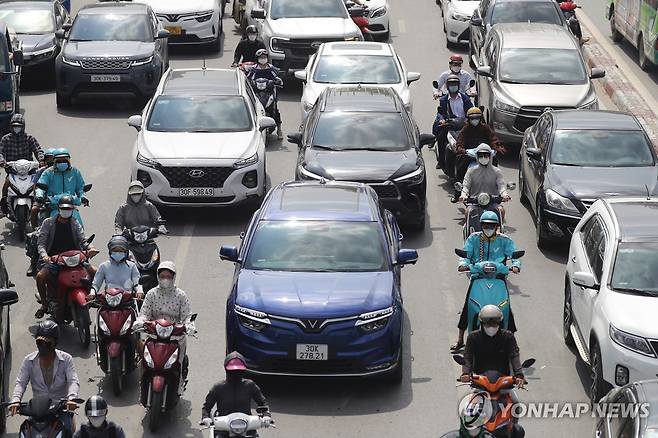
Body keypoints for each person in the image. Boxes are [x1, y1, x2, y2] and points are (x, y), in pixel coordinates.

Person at [451, 211, 520, 352]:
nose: (488, 228)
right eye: (485, 225)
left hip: (498, 277)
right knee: (467, 307)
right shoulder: (474, 238)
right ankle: (460, 340)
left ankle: (512, 342)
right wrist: (462, 264)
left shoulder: (504, 240)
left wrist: (515, 266)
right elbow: (466, 254)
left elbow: (514, 255)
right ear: (481, 225)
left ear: (497, 226)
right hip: (478, 277)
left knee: (506, 308)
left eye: (491, 225)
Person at [9, 321, 80, 434]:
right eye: (40, 342)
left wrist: (71, 398)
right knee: (26, 431)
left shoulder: (66, 359)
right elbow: (20, 383)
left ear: (55, 343)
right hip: (38, 411)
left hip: (61, 410)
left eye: (47, 343)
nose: (43, 346)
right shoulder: (28, 361)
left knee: (67, 431)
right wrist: (16, 400)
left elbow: (73, 381)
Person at [35, 196, 98, 318]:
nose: (66, 211)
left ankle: (91, 295)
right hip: (55, 260)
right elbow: (41, 244)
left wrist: (90, 248)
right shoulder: (48, 223)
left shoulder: (75, 223)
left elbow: (83, 240)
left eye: (69, 208)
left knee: (94, 271)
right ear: (58, 208)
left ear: (73, 209)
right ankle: (44, 304)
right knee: (41, 276)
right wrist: (45, 256)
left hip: (75, 259)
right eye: (64, 208)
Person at [134, 261, 193, 373]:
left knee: (177, 367)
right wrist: (140, 321)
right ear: (158, 277)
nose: (165, 279)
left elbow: (187, 316)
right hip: (154, 336)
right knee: (146, 365)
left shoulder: (180, 295)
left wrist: (189, 325)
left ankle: (179, 381)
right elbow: (145, 313)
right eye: (162, 276)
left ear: (173, 277)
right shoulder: (151, 294)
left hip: (175, 337)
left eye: (168, 277)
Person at [201, 352, 269, 430]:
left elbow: (263, 402)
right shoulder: (218, 387)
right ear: (226, 369)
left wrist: (266, 415)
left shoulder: (250, 385)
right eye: (232, 371)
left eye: (239, 371)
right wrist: (206, 417)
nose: (235, 373)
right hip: (223, 427)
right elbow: (206, 407)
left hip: (246, 426)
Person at [460, 305, 525, 384]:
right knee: (470, 397)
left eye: (494, 322)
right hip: (479, 381)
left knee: (515, 397)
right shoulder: (473, 337)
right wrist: (465, 373)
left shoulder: (508, 336)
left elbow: (514, 355)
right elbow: (468, 356)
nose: (491, 325)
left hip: (504, 381)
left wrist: (519, 375)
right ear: (482, 322)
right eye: (487, 322)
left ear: (499, 322)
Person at [0, 114, 44, 216]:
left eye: (19, 126)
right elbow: (0, 153)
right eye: (14, 126)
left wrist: (41, 160)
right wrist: (2, 162)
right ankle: (3, 208)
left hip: (29, 171)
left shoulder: (30, 138)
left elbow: (38, 150)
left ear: (23, 126)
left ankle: (40, 205)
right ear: (11, 126)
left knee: (38, 187)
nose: (16, 128)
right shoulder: (5, 139)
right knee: (6, 185)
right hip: (13, 171)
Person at [34, 148, 87, 224]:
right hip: (53, 206)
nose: (62, 163)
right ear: (54, 161)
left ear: (68, 160)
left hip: (71, 205)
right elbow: (40, 186)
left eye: (64, 160)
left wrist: (83, 197)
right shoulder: (48, 172)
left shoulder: (75, 172)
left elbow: (81, 188)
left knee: (79, 228)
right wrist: (40, 196)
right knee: (45, 230)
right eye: (59, 161)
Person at [431, 75, 473, 169]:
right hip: (450, 125)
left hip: (464, 124)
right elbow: (440, 113)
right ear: (447, 86)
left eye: (455, 84)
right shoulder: (443, 100)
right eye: (451, 84)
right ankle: (441, 161)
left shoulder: (465, 99)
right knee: (441, 138)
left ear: (458, 86)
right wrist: (441, 119)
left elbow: (471, 110)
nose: (453, 86)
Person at [88, 235, 143, 302]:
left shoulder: (132, 266)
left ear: (126, 252)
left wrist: (139, 291)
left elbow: (137, 282)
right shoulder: (103, 266)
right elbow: (96, 284)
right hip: (109, 301)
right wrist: (92, 293)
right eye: (115, 250)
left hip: (127, 301)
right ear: (110, 251)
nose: (117, 253)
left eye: (121, 251)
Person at [246, 49, 283, 139]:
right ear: (257, 59)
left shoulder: (271, 69)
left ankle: (279, 129)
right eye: (261, 58)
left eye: (264, 57)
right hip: (257, 92)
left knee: (274, 109)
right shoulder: (254, 69)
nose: (263, 59)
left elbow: (277, 77)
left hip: (269, 92)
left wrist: (278, 81)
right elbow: (248, 78)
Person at [29, 148, 57, 229]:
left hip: (59, 199)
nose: (51, 161)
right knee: (34, 210)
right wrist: (38, 197)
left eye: (53, 159)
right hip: (44, 199)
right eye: (49, 159)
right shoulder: (40, 171)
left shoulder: (62, 172)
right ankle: (35, 230)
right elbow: (36, 186)